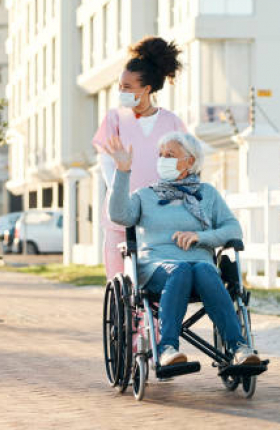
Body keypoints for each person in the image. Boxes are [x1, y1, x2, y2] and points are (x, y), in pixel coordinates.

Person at [104, 131, 262, 368]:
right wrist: (123, 170)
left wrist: (200, 236)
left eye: (170, 154)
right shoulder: (145, 196)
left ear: (190, 161)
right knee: (180, 270)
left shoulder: (207, 194)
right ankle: (167, 348)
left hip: (200, 268)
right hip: (157, 267)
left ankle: (239, 347)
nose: (163, 159)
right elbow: (118, 214)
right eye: (161, 155)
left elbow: (233, 230)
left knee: (205, 270)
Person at [92, 37, 187, 280]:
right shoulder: (115, 118)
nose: (121, 92)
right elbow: (105, 160)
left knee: (156, 281)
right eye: (120, 86)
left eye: (128, 87)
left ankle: (153, 319)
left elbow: (186, 164)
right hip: (120, 216)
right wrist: (119, 193)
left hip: (159, 217)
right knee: (120, 281)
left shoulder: (172, 122)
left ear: (146, 89)